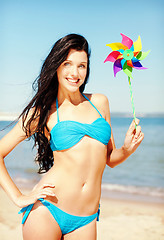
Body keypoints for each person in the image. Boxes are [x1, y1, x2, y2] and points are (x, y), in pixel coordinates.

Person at [0, 33, 144, 240]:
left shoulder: (100, 102)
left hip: (86, 218)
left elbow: (109, 159)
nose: (75, 72)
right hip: (48, 211)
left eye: (82, 65)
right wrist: (19, 197)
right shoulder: (43, 112)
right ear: (56, 66)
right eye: (67, 64)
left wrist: (128, 149)